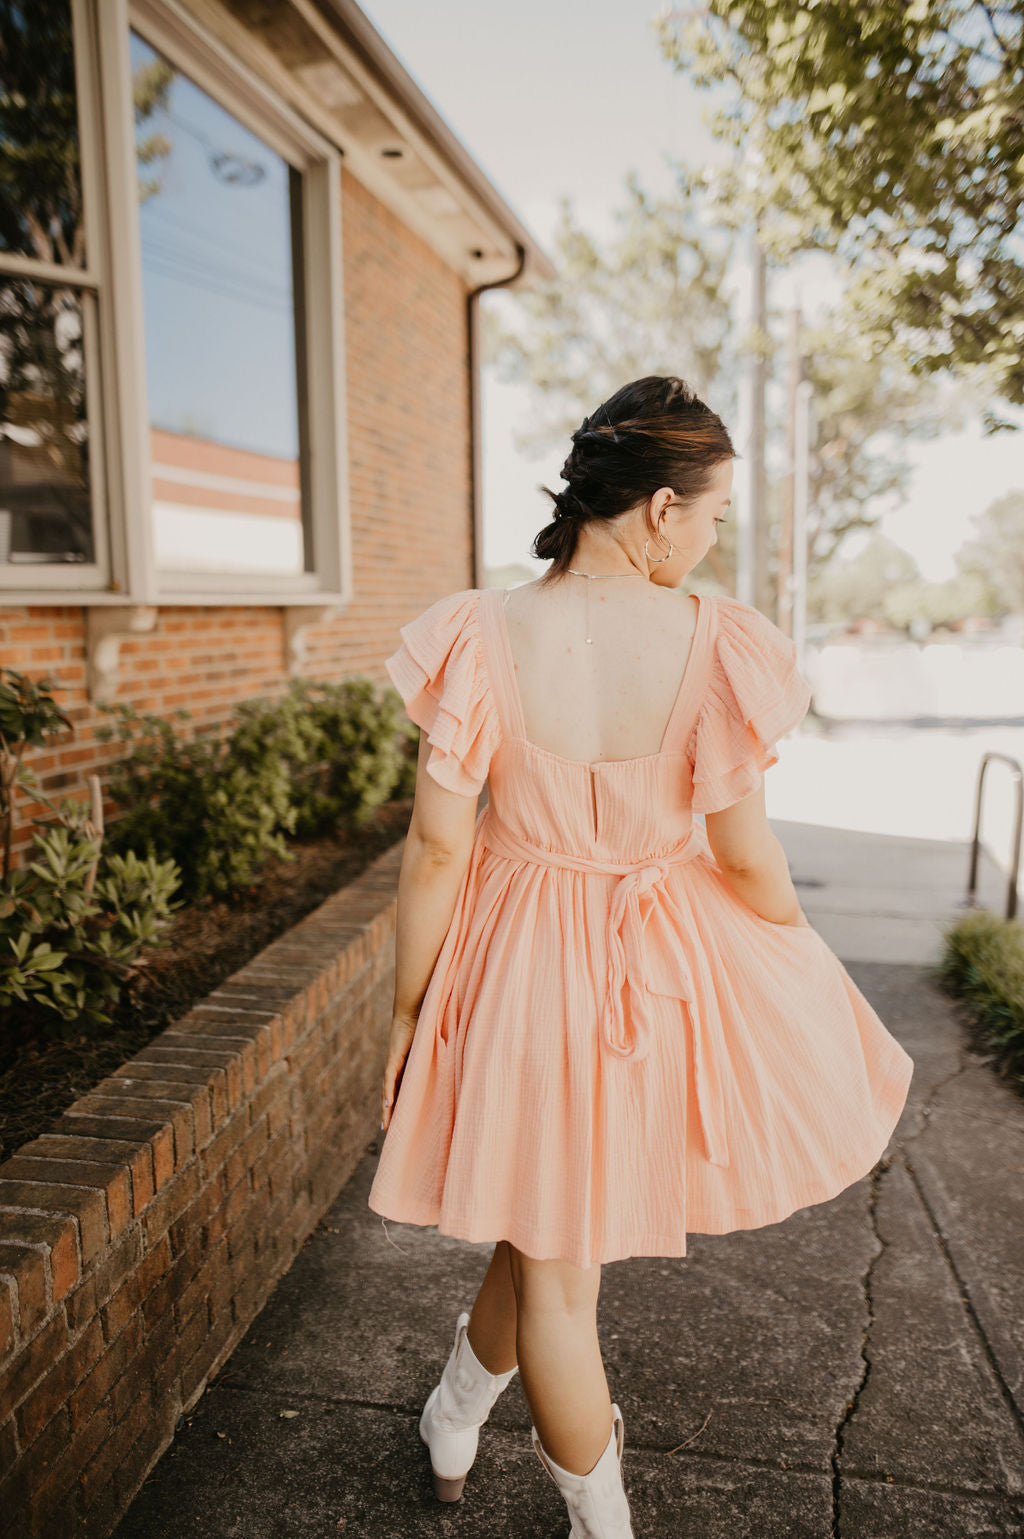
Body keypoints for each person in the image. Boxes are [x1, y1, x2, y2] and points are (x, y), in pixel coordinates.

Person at [367, 375, 915, 1537]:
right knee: (561, 1260)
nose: (712, 537)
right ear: (660, 508)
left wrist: (410, 1011)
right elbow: (749, 855)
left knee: (546, 1223)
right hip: (650, 975)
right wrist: (794, 954)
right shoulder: (715, 642)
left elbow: (432, 850)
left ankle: (455, 1414)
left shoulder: (478, 630)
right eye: (712, 514)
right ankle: (596, 1523)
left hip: (512, 970)